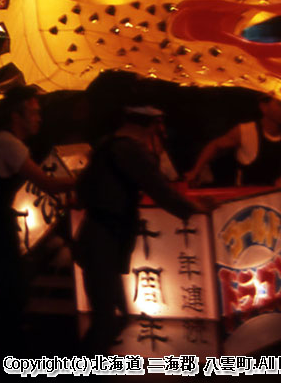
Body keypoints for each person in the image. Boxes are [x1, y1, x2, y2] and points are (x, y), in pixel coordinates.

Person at [73, 104, 206, 353]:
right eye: (159, 126)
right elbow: (159, 189)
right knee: (107, 319)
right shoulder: (130, 150)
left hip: (98, 237)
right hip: (104, 240)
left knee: (115, 316)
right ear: (150, 126)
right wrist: (194, 208)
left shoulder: (106, 145)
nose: (162, 131)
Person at [0, 85, 76, 345]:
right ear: (17, 116)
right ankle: (5, 344)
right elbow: (46, 183)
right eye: (34, 112)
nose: (39, 118)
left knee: (9, 280)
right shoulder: (7, 143)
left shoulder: (5, 141)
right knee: (12, 282)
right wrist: (85, 181)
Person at [186, 95, 281, 188]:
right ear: (264, 107)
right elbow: (215, 146)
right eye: (280, 104)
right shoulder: (245, 131)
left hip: (274, 203)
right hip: (245, 201)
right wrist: (196, 171)